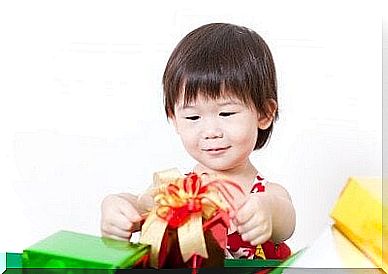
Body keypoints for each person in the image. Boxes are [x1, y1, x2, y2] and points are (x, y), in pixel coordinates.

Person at [100, 22, 295, 260]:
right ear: (174, 118)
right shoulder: (177, 191)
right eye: (193, 117)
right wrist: (117, 206)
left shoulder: (265, 194)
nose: (210, 131)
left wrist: (267, 211)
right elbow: (142, 205)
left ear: (264, 114)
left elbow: (285, 218)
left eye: (226, 113)